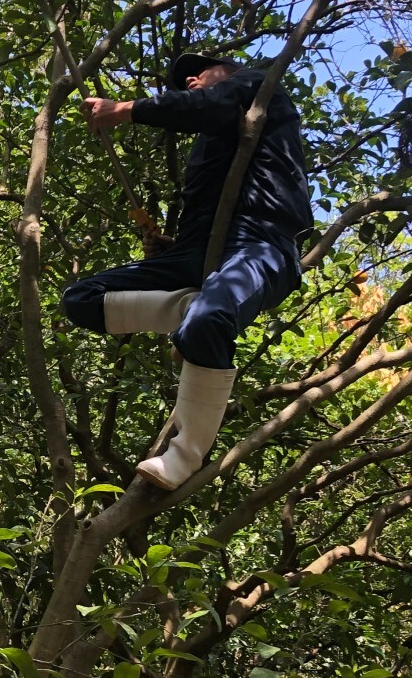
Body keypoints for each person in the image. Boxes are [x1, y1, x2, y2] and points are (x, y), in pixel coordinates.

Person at [62, 51, 314, 488]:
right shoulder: (210, 143)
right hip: (202, 254)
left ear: (231, 73)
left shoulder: (256, 87)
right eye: (184, 79)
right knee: (81, 300)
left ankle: (185, 454)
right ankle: (194, 309)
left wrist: (124, 109)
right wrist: (173, 250)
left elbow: (211, 105)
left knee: (210, 321)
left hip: (261, 241)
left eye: (202, 71)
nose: (191, 79)